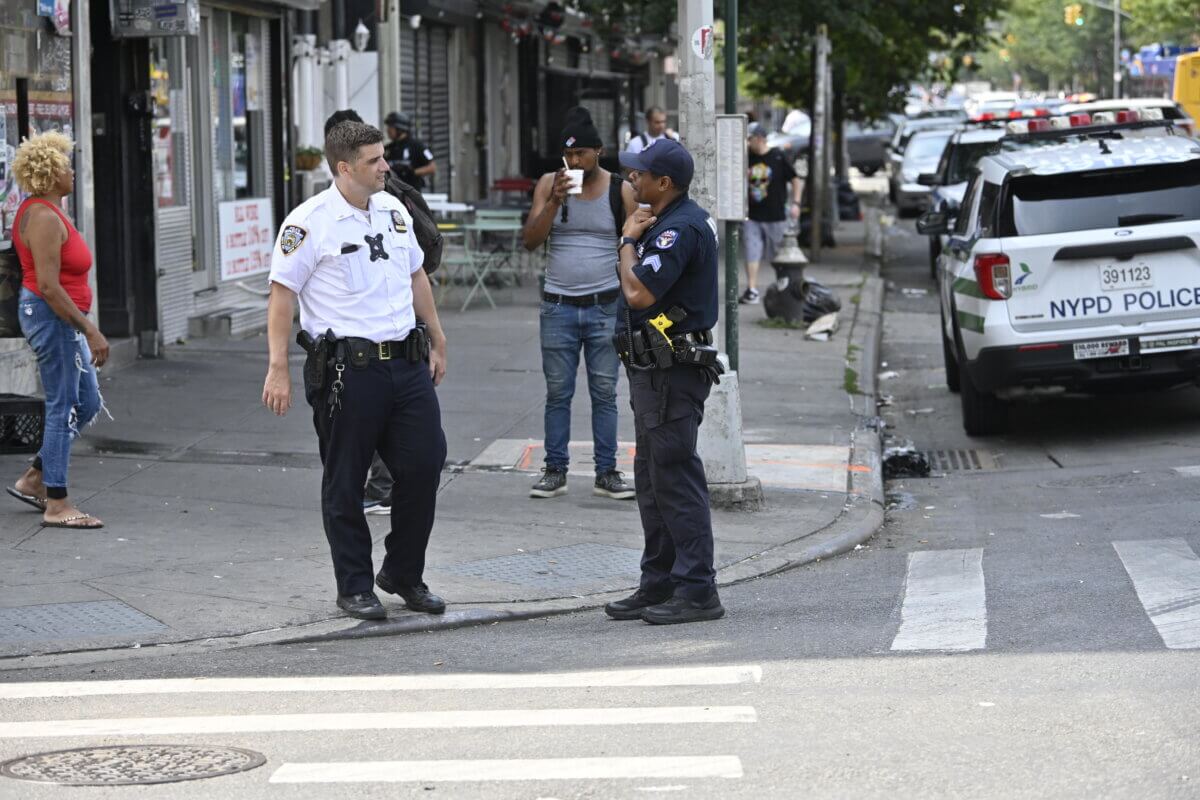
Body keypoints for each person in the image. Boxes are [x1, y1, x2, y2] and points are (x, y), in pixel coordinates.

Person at [262, 120, 448, 621]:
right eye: (374, 161)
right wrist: (277, 366)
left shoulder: (392, 209)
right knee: (346, 481)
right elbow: (282, 297)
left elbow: (415, 275)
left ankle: (403, 573)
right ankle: (355, 585)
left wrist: (436, 334)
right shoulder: (309, 222)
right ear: (344, 168)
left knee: (426, 465)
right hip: (349, 370)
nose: (386, 166)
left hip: (406, 364)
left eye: (383, 157)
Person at [604, 139, 726, 625]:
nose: (631, 181)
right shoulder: (670, 220)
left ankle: (697, 589)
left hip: (671, 372)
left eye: (639, 175)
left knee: (675, 479)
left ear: (664, 183)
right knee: (653, 480)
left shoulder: (679, 229)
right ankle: (660, 581)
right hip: (653, 371)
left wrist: (627, 239)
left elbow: (638, 293)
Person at [522, 107, 636, 500]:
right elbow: (531, 240)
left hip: (605, 305)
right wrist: (553, 201)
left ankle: (607, 472)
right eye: (568, 155)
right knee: (558, 392)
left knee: (604, 392)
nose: (574, 162)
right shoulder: (548, 184)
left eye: (582, 155)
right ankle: (555, 469)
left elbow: (635, 242)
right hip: (558, 306)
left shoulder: (620, 189)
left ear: (599, 152)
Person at [5, 131, 108, 529]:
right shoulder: (44, 217)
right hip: (53, 319)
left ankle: (34, 478)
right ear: (48, 174)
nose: (71, 170)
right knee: (63, 406)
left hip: (60, 320)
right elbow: (48, 286)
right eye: (64, 164)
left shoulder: (48, 210)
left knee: (88, 402)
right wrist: (90, 329)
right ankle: (57, 502)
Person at [740, 122, 801, 305]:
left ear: (759, 139)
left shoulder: (778, 156)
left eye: (750, 139)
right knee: (752, 252)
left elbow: (795, 179)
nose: (748, 143)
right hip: (752, 216)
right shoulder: (746, 158)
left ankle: (783, 287)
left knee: (779, 255)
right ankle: (752, 289)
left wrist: (796, 203)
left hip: (776, 216)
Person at [383, 112, 435, 192]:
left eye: (391, 127)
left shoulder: (417, 146)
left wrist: (412, 172)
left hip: (411, 195)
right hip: (392, 194)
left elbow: (432, 167)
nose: (388, 130)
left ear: (400, 129)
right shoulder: (388, 148)